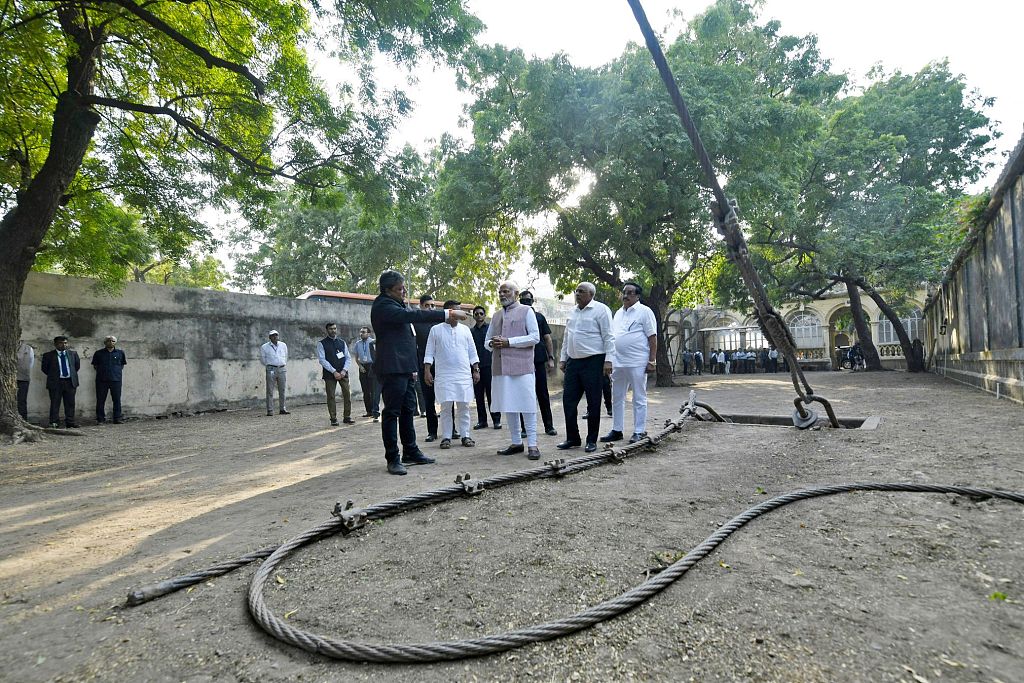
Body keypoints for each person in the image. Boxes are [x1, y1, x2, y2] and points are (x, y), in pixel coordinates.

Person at [370, 270, 466, 475]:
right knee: (392, 412)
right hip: (392, 367)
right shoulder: (383, 306)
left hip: (405, 367)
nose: (404, 291)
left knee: (408, 410)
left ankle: (410, 451)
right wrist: (446, 313)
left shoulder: (396, 304)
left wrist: (414, 368)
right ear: (387, 290)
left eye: (404, 287)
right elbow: (414, 315)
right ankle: (393, 457)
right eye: (399, 288)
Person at [486, 281, 542, 459]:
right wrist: (491, 343)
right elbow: (486, 342)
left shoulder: (527, 311)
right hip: (500, 367)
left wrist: (509, 342)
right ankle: (516, 442)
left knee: (527, 404)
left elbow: (535, 337)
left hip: (522, 366)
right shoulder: (495, 316)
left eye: (506, 291)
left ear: (516, 293)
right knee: (509, 404)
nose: (502, 294)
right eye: (500, 292)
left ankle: (533, 445)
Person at [558, 282, 614, 453]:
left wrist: (608, 361)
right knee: (568, 401)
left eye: (581, 291)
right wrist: (563, 359)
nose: (577, 294)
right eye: (576, 291)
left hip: (594, 361)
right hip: (573, 362)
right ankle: (573, 438)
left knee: (593, 402)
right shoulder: (572, 312)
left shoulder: (601, 310)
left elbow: (609, 336)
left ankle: (591, 440)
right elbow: (567, 336)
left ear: (591, 294)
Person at [602, 282, 657, 444]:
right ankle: (617, 430)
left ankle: (639, 431)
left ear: (638, 296)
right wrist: (609, 359)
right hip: (618, 362)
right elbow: (612, 338)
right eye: (624, 292)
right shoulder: (618, 313)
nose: (625, 295)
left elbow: (652, 338)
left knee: (639, 397)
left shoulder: (645, 312)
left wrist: (652, 361)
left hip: (637, 362)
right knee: (617, 397)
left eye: (630, 293)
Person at [423, 300, 480, 449]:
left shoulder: (465, 330)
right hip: (444, 375)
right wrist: (427, 371)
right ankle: (446, 437)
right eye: (457, 311)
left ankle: (465, 435)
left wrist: (476, 369)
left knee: (464, 407)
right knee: (445, 407)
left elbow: (472, 352)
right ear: (448, 312)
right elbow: (429, 352)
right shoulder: (435, 329)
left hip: (463, 374)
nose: (460, 314)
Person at [519, 290, 557, 436]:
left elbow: (547, 338)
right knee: (523, 394)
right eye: (523, 301)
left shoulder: (539, 317)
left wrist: (551, 358)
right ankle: (524, 428)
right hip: (521, 360)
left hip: (538, 360)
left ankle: (549, 426)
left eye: (528, 300)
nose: (526, 303)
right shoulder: (517, 317)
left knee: (542, 393)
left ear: (532, 301)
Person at [413, 294, 441, 440]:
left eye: (432, 305)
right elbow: (413, 347)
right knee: (428, 400)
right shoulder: (415, 323)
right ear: (421, 306)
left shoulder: (441, 322)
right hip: (425, 367)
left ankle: (452, 430)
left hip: (443, 366)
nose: (430, 308)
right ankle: (432, 432)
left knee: (448, 399)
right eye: (427, 306)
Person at [470, 305, 501, 430]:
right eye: (476, 314)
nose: (479, 316)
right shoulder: (471, 332)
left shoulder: (490, 330)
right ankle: (482, 421)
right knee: (478, 396)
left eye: (481, 313)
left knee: (491, 394)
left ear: (484, 315)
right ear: (473, 316)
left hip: (489, 366)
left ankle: (496, 420)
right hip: (476, 367)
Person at [317, 323, 354, 426]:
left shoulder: (342, 342)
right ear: (327, 330)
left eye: (334, 328)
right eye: (330, 329)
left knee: (347, 395)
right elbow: (322, 360)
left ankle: (347, 416)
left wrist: (343, 371)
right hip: (330, 375)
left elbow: (348, 358)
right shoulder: (321, 343)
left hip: (343, 373)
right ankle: (333, 418)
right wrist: (333, 371)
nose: (333, 330)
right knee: (331, 396)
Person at [40, 336, 80, 428]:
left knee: (70, 403)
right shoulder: (48, 355)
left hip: (70, 382)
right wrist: (55, 376)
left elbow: (76, 367)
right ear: (55, 344)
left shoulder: (73, 354)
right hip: (55, 382)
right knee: (55, 403)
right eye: (61, 343)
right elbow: (45, 369)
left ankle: (70, 422)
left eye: (65, 343)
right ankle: (54, 422)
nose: (64, 345)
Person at [92, 335, 127, 424]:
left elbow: (122, 365)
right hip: (101, 380)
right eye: (108, 341)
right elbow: (95, 366)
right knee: (100, 400)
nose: (110, 343)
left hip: (116, 380)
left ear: (115, 343)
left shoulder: (120, 353)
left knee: (116, 399)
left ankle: (117, 418)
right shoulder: (98, 353)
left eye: (113, 341)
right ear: (105, 342)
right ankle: (100, 419)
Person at [353, 326, 380, 421]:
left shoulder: (373, 342)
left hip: (372, 366)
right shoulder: (357, 344)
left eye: (364, 332)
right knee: (365, 391)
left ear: (369, 333)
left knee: (373, 390)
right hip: (362, 367)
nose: (361, 334)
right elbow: (356, 357)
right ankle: (368, 411)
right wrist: (360, 366)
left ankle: (374, 411)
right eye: (361, 332)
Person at [259, 330, 289, 416]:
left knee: (282, 389)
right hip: (271, 368)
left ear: (278, 336)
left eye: (276, 335)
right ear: (269, 337)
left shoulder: (283, 345)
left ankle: (282, 408)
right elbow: (262, 359)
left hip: (282, 368)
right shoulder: (264, 347)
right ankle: (270, 410)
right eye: (272, 335)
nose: (275, 337)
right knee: (270, 390)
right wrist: (270, 365)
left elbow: (286, 356)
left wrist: (282, 363)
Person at [16, 339, 35, 421]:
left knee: (22, 400)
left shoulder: (28, 348)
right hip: (7, 379)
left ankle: (23, 420)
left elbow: (31, 363)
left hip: (23, 378)